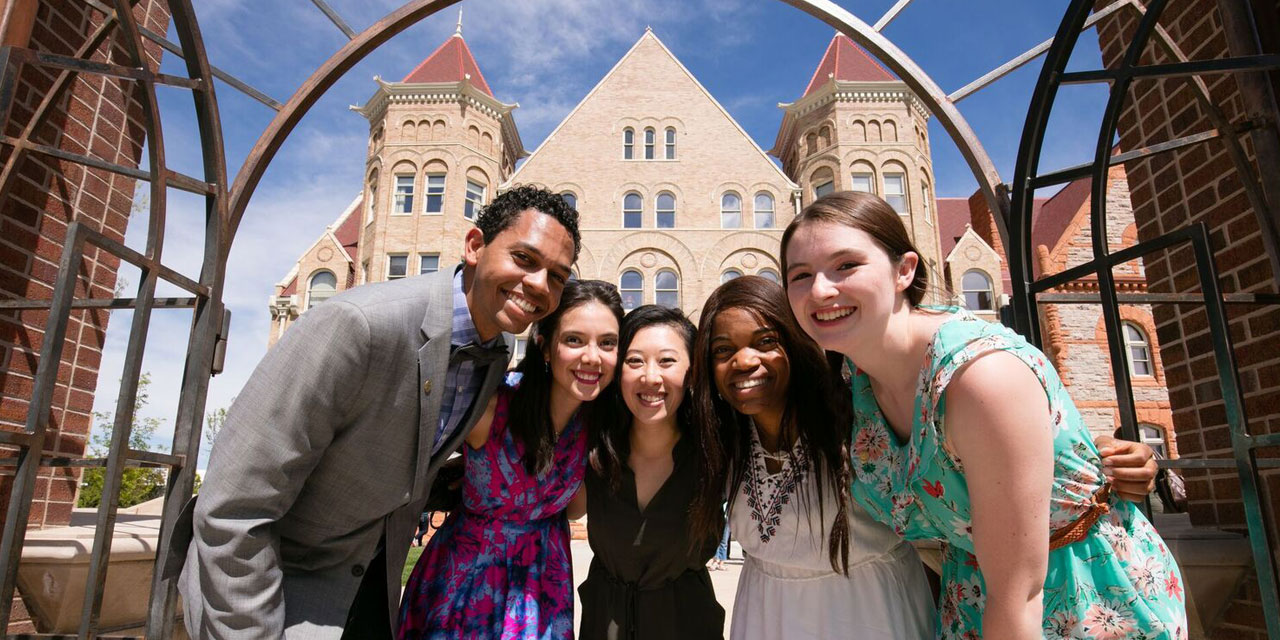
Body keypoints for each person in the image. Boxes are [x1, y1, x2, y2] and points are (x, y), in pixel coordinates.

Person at [173, 185, 580, 639]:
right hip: (277, 591)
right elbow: (234, 506)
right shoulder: (358, 326)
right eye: (524, 259)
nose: (540, 285)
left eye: (557, 276)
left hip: (372, 591)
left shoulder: (498, 351)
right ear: (475, 246)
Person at [780, 190, 1187, 639]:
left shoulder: (979, 376)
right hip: (971, 600)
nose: (820, 289)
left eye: (846, 265)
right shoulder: (853, 379)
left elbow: (1020, 594)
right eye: (800, 275)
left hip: (1080, 602)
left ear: (904, 271)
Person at [689, 276, 935, 640]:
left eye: (765, 342)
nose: (743, 361)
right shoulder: (721, 443)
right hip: (764, 619)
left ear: (794, 341)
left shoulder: (856, 420)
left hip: (875, 617)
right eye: (723, 350)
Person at [398, 279, 623, 639]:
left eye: (607, 343)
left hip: (545, 587)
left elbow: (574, 508)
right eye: (574, 340)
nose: (593, 356)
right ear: (544, 346)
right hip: (467, 587)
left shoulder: (596, 424)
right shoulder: (493, 406)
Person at [576, 305, 725, 640]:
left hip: (686, 625)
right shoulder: (591, 451)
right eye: (634, 361)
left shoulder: (717, 453)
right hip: (605, 624)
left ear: (693, 371)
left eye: (667, 361)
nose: (650, 377)